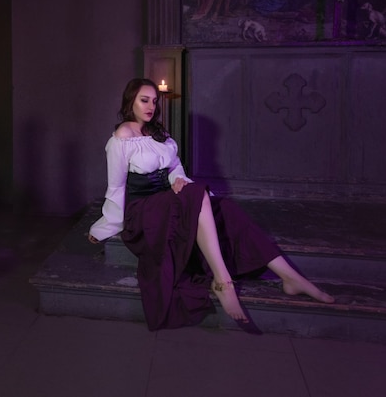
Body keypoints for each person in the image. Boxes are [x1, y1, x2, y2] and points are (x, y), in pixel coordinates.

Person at [88, 78, 334, 331]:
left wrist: (178, 181)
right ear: (131, 101)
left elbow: (175, 168)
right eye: (144, 100)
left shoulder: (158, 133)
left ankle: (290, 278)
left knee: (225, 209)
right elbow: (117, 186)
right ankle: (222, 281)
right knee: (199, 195)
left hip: (169, 202)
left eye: (154, 100)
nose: (151, 106)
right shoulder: (122, 136)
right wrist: (105, 226)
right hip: (144, 213)